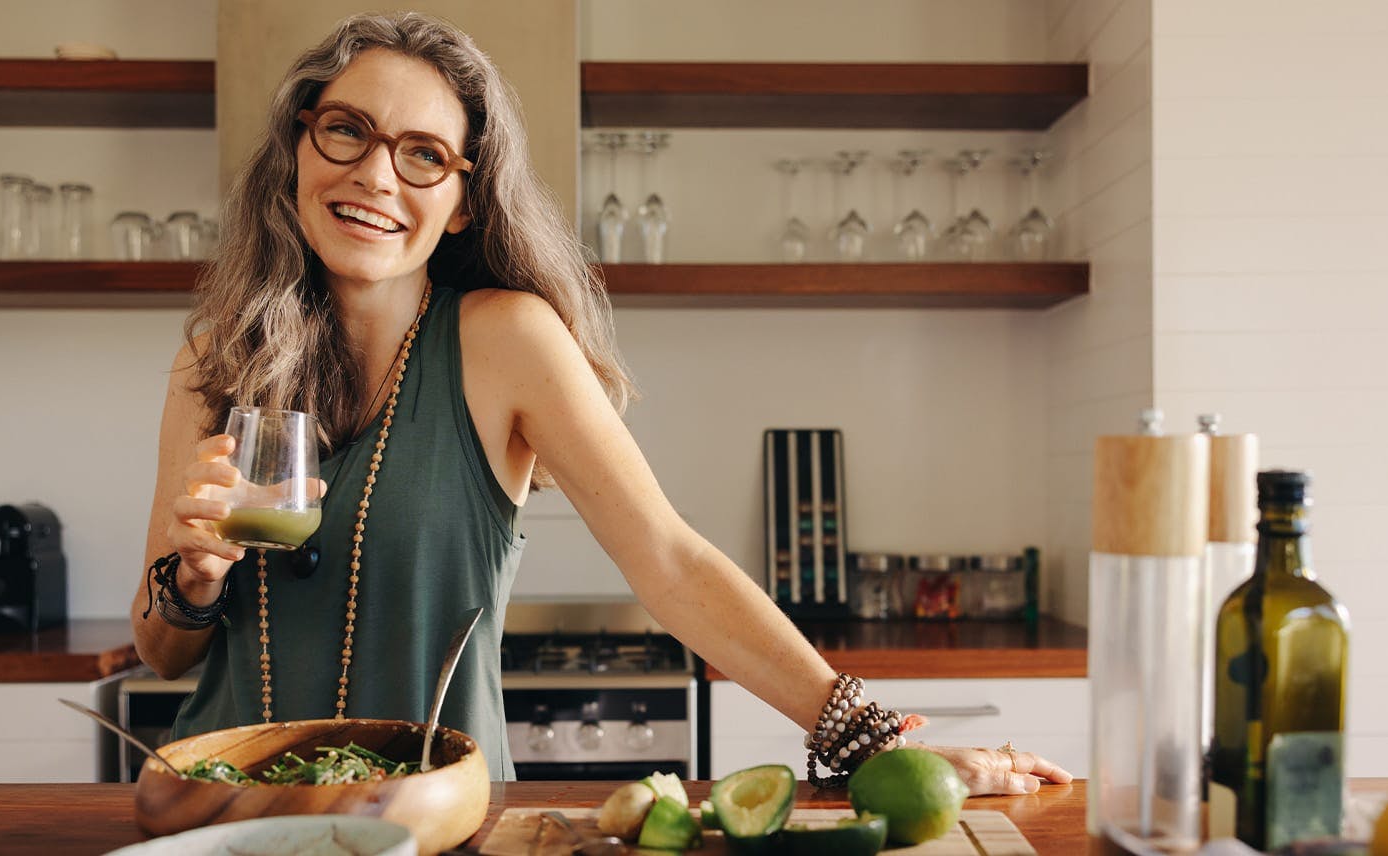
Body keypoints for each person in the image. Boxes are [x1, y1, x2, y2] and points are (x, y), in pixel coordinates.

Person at [130, 11, 1071, 795]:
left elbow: (670, 563)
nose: (376, 175)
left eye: (423, 154)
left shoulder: (505, 340)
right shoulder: (214, 359)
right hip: (220, 813)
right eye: (348, 130)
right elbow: (162, 648)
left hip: (433, 818)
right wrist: (192, 578)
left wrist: (870, 737)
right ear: (301, 142)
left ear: (462, 200)